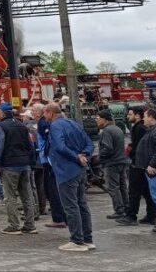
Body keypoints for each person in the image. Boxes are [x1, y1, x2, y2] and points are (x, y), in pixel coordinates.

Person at [46, 102, 94, 252]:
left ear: (50, 113)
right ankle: (87, 239)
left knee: (71, 206)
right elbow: (89, 143)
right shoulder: (74, 123)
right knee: (82, 205)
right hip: (80, 170)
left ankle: (77, 240)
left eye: (45, 113)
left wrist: (76, 157)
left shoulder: (55, 126)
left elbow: (60, 147)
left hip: (66, 170)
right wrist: (84, 155)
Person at [0, 102, 37, 235]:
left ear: (3, 113)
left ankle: (14, 225)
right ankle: (30, 225)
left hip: (9, 165)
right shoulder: (22, 125)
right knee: (27, 195)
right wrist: (31, 162)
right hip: (25, 165)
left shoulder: (1, 126)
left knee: (10, 196)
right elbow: (30, 145)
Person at [119, 105, 156, 226]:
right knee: (146, 191)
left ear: (137, 115)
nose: (127, 116)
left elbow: (140, 147)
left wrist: (131, 151)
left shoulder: (139, 128)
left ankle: (131, 216)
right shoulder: (141, 127)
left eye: (130, 114)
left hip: (138, 164)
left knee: (134, 191)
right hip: (143, 164)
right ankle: (151, 216)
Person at [37, 106, 67, 228]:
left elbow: (55, 144)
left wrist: (49, 156)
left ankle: (59, 218)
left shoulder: (49, 125)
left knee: (52, 190)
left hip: (51, 161)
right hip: (57, 161)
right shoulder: (67, 123)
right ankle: (63, 217)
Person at [96, 109, 129, 220]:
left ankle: (119, 210)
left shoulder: (107, 131)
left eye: (98, 118)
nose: (97, 120)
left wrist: (100, 158)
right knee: (122, 186)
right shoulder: (117, 129)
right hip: (121, 161)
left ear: (104, 119)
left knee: (113, 187)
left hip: (112, 163)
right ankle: (126, 207)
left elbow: (108, 148)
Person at [24, 104, 47, 216]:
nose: (32, 112)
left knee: (32, 186)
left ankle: (36, 209)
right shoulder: (44, 124)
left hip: (34, 160)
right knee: (41, 186)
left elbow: (31, 145)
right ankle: (42, 208)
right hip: (43, 159)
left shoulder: (29, 128)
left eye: (33, 110)